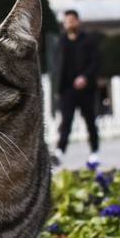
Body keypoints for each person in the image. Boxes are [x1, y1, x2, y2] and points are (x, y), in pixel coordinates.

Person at [51, 9, 100, 167]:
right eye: (67, 21)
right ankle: (59, 152)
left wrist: (85, 77)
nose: (69, 23)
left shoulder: (88, 41)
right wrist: (57, 89)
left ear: (78, 21)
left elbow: (95, 63)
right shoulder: (61, 42)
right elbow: (57, 67)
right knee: (66, 122)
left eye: (72, 20)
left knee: (90, 122)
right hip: (67, 90)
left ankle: (94, 152)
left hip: (86, 90)